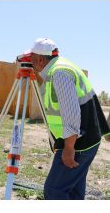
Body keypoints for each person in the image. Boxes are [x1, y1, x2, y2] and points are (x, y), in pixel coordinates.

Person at [28, 38, 110, 200]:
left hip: (79, 143)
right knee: (73, 192)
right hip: (87, 139)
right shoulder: (61, 67)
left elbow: (71, 114)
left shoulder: (59, 73)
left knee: (54, 191)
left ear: (40, 59)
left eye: (32, 58)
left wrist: (68, 148)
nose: (30, 62)